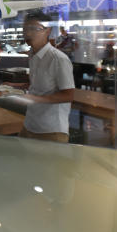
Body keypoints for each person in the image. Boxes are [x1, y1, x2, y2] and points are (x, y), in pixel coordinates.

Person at [16, 11, 75, 143]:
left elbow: (68, 95)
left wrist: (35, 99)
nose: (28, 33)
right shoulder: (32, 55)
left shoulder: (58, 59)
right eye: (25, 29)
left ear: (48, 31)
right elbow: (36, 85)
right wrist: (14, 86)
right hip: (30, 124)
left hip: (51, 130)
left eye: (33, 28)